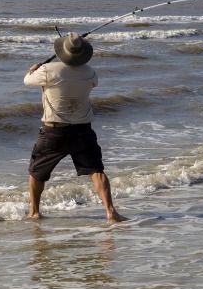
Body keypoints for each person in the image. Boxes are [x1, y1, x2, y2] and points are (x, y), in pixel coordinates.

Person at [24, 31, 127, 222]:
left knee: (37, 172)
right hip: (83, 130)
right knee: (96, 171)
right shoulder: (90, 73)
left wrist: (35, 68)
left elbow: (27, 80)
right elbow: (90, 82)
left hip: (54, 130)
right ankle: (111, 211)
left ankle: (34, 212)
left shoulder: (48, 70)